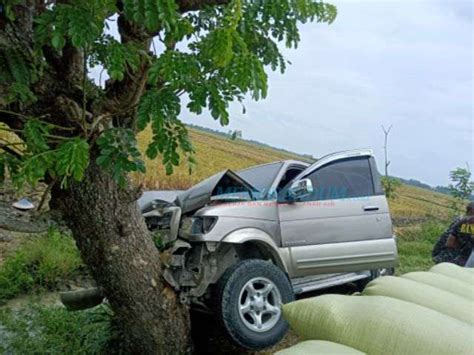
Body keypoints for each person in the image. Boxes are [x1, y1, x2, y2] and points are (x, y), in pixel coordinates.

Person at [432, 202, 474, 267]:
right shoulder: (466, 223)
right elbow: (450, 243)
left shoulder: (460, 219)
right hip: (451, 258)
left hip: (440, 254)